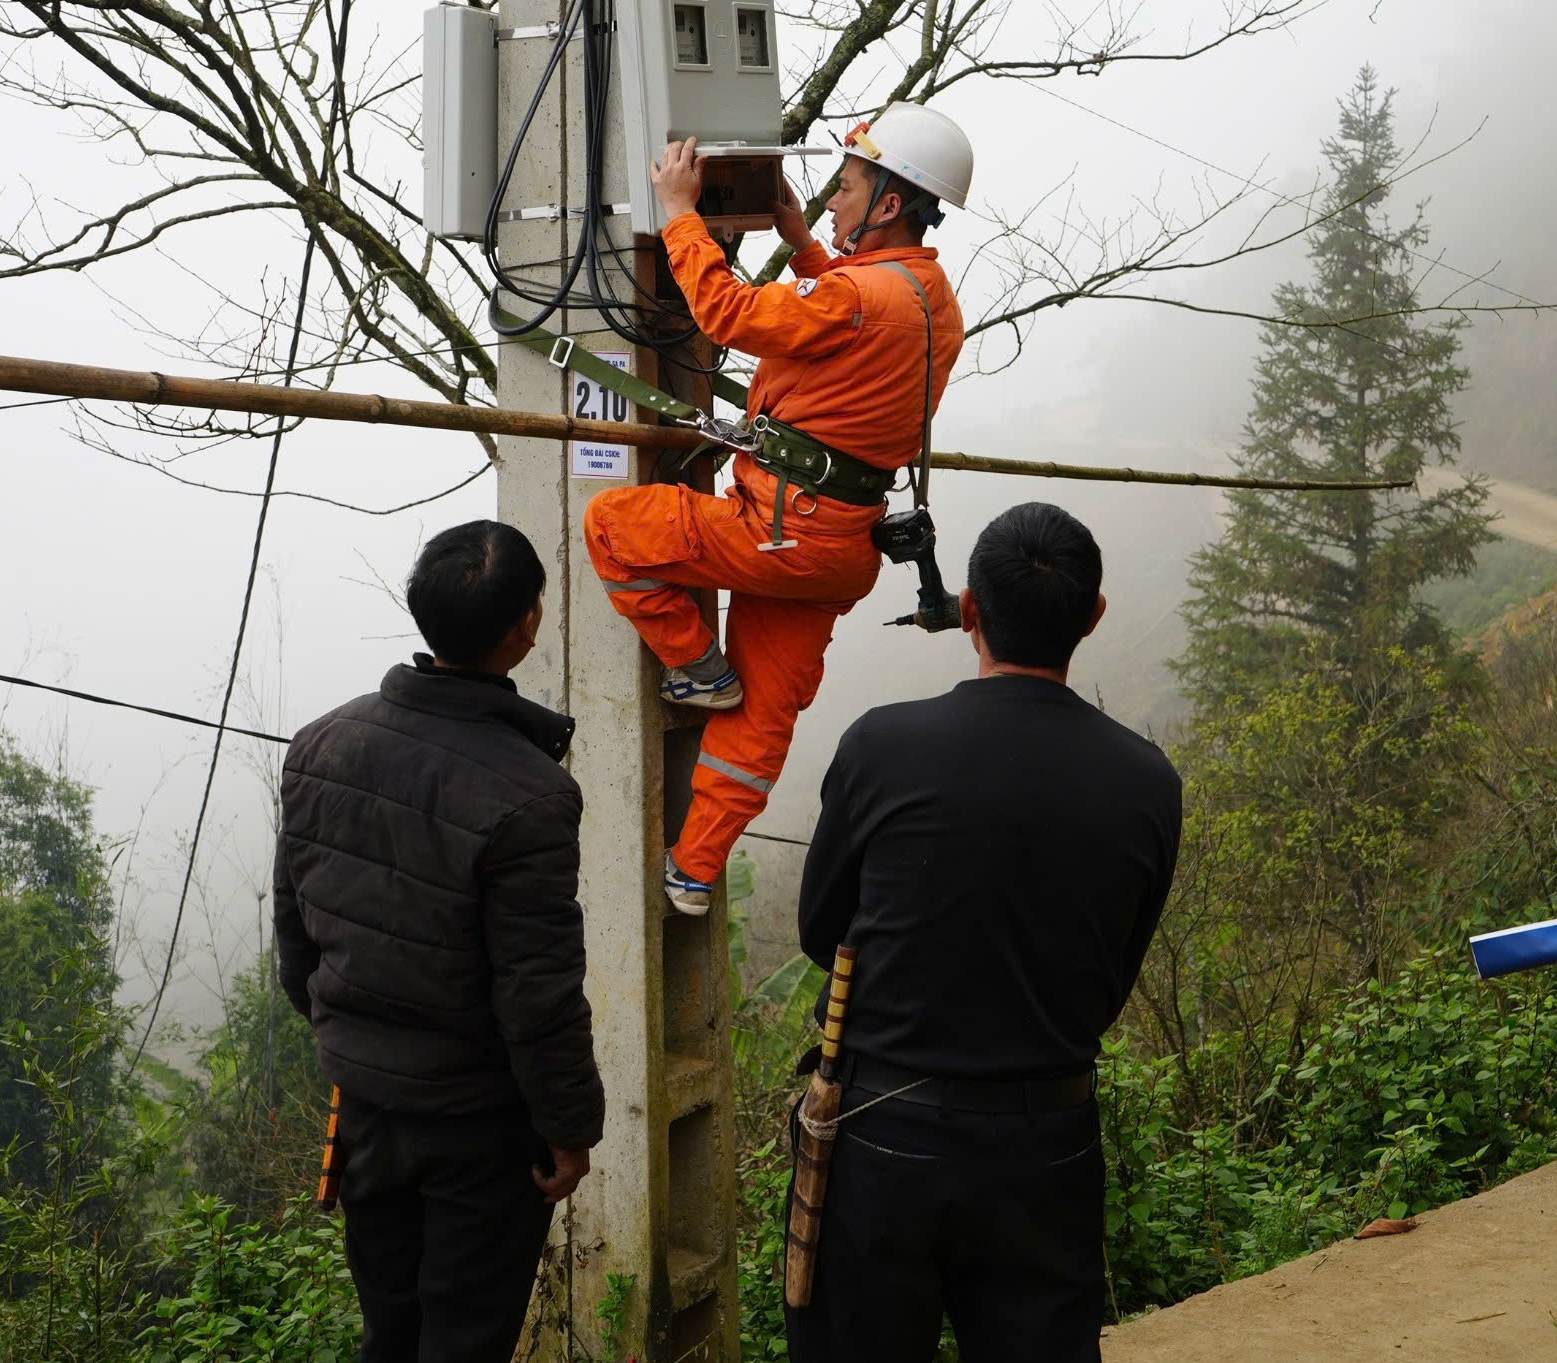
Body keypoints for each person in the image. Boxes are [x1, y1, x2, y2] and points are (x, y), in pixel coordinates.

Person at [785, 501, 1183, 1363]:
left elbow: (826, 931)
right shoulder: (1146, 779)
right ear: (1094, 615)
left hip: (881, 1138)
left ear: (968, 609)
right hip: (1047, 1140)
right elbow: (1112, 971)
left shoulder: (881, 745)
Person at [584, 104, 972, 918]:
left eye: (849, 186)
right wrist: (802, 244)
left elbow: (730, 314)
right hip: (838, 550)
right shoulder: (933, 300)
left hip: (779, 530)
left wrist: (681, 215)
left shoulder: (861, 296)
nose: (833, 199)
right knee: (760, 720)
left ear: (890, 205)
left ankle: (697, 668)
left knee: (611, 526)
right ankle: (692, 873)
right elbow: (856, 310)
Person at [273, 520, 602, 1362]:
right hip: (480, 1130)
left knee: (392, 1330)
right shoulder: (532, 793)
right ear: (527, 624)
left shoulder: (321, 743)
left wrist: (356, 1047)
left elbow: (296, 940)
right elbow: (537, 992)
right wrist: (569, 1127)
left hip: (368, 1116)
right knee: (464, 1339)